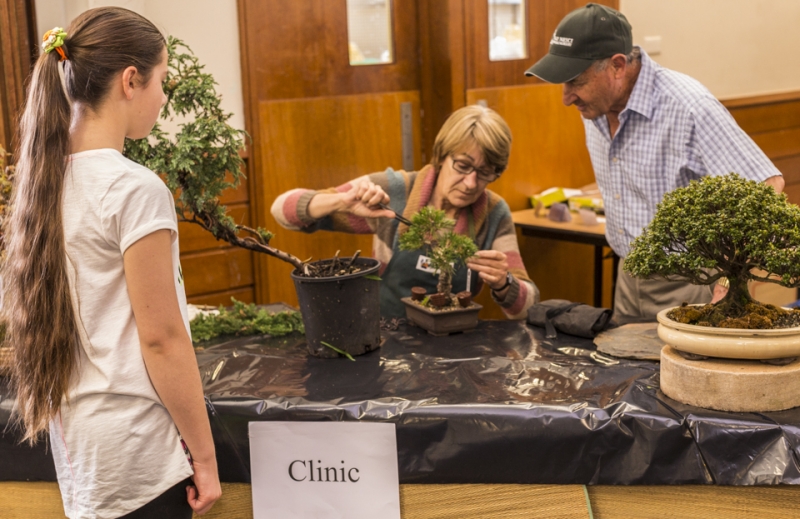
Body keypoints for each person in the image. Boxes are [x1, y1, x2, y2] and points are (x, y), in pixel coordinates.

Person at [3, 8, 221, 518]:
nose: (163, 98)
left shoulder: (43, 183)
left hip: (83, 451)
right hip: (137, 451)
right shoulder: (133, 188)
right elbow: (161, 338)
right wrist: (205, 458)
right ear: (130, 80)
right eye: (161, 81)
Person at [524, 3, 784, 323]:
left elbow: (767, 186)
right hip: (628, 275)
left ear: (617, 66)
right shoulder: (596, 106)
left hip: (689, 283)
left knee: (681, 373)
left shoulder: (688, 106)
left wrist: (731, 279)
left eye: (575, 82)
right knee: (624, 371)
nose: (566, 98)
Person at [271, 105, 539, 319]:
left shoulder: (493, 213)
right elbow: (282, 210)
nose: (471, 183)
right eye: (462, 166)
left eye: (485, 173)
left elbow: (527, 307)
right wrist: (342, 201)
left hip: (455, 347)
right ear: (443, 154)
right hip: (384, 338)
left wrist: (505, 283)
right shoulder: (394, 192)